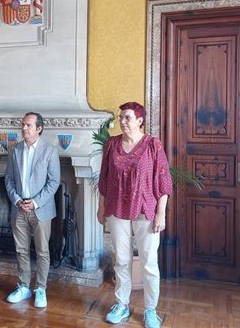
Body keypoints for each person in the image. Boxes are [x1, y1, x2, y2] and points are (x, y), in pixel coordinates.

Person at [97, 102, 172, 328]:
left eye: (127, 117)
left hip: (146, 209)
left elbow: (164, 181)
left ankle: (150, 310)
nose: (122, 121)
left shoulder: (152, 144)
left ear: (140, 120)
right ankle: (121, 304)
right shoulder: (112, 144)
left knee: (149, 262)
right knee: (121, 260)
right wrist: (101, 208)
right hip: (116, 208)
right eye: (121, 117)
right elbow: (104, 179)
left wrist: (161, 213)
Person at [4, 112, 60, 308]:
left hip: (41, 209)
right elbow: (8, 179)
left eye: (28, 125)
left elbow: (54, 182)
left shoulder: (50, 151)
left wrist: (35, 202)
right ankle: (24, 286)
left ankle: (41, 289)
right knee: (21, 250)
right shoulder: (15, 150)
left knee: (42, 251)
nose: (24, 128)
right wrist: (17, 200)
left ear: (39, 128)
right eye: (23, 125)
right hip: (18, 208)